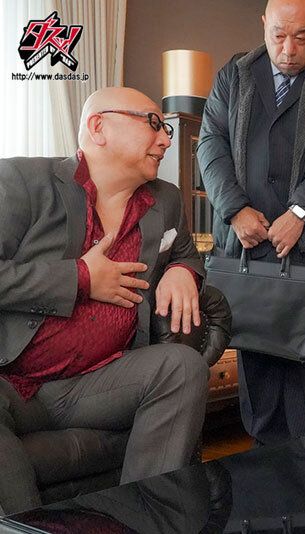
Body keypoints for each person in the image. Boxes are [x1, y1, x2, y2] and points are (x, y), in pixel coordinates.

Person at [0, 87, 209, 514]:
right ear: (99, 127)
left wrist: (183, 270)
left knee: (182, 367)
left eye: (167, 130)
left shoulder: (166, 199)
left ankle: (143, 521)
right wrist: (80, 278)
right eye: (153, 123)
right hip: (14, 384)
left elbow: (187, 252)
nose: (166, 140)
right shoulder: (23, 182)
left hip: (99, 384)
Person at [197, 0, 305, 442]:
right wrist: (234, 209)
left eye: (301, 37)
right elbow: (210, 144)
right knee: (258, 377)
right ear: (263, 25)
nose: (288, 49)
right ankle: (263, 478)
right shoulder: (234, 74)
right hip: (246, 243)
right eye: (279, 35)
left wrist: (300, 212)